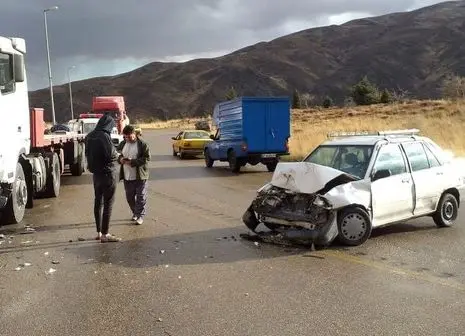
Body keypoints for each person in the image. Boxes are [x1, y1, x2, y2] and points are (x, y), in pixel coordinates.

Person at [85, 113, 122, 242]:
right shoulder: (105, 136)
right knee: (108, 203)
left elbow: (87, 154)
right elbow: (110, 155)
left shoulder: (89, 136)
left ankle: (99, 232)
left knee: (97, 202)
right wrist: (118, 155)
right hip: (108, 174)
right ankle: (106, 234)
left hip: (96, 175)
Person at [117, 125, 150, 225]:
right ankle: (135, 213)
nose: (127, 139)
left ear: (134, 134)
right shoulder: (123, 143)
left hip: (140, 176)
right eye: (125, 137)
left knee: (141, 197)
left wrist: (133, 162)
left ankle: (140, 216)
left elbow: (146, 158)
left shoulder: (142, 144)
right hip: (127, 176)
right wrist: (121, 159)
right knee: (130, 197)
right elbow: (117, 154)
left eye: (129, 136)